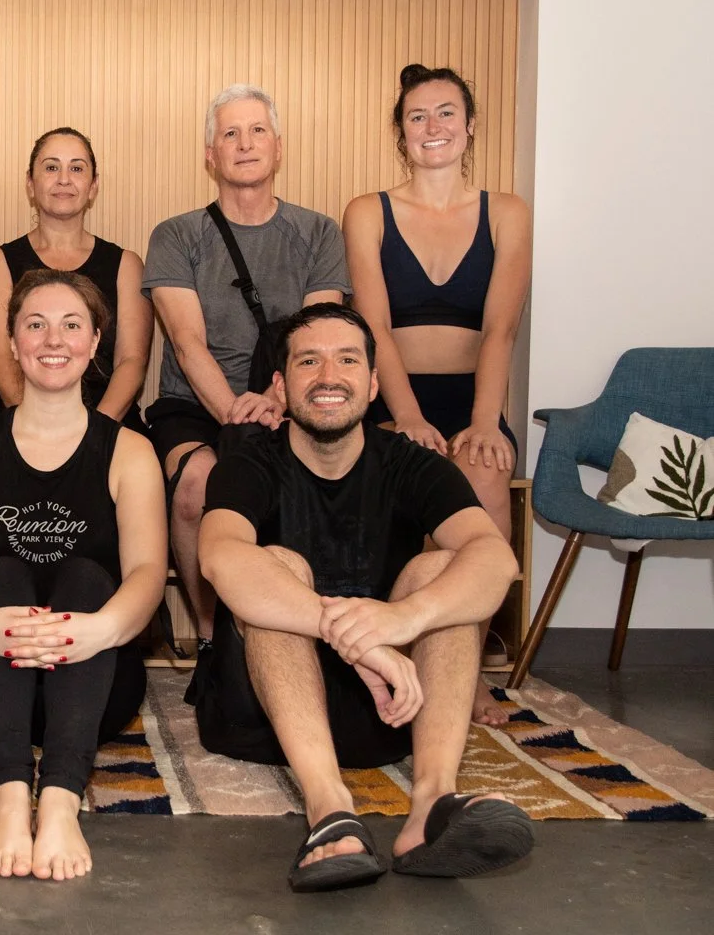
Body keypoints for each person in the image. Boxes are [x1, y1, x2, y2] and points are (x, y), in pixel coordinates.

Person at [197, 302, 532, 893]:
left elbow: (495, 559)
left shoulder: (409, 462)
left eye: (347, 359)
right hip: (269, 713)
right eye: (309, 361)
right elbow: (220, 557)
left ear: (374, 383)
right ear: (279, 385)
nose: (329, 376)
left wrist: (404, 617)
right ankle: (329, 811)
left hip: (393, 708)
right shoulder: (249, 461)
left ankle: (431, 803)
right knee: (275, 568)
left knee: (442, 570)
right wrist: (349, 635)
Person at [0, 270, 167, 881]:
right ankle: (9, 797)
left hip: (92, 680)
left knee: (88, 578)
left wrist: (98, 631)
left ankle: (60, 800)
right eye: (35, 324)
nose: (52, 339)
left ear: (94, 342)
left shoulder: (130, 452)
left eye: (71, 325)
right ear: (10, 342)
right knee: (0, 573)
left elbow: (146, 571)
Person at [342, 65, 532, 726]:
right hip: (392, 399)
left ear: (470, 125)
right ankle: (402, 660)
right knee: (409, 497)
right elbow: (374, 330)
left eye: (446, 113)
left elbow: (501, 329)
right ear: (400, 132)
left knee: (483, 494)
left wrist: (483, 423)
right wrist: (408, 416)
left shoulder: (506, 212)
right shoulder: (369, 212)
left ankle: (466, 673)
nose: (433, 128)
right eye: (418, 117)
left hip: (472, 396)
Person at [143, 84, 349, 647]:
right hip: (195, 404)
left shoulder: (318, 232)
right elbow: (187, 344)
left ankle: (303, 631)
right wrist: (240, 411)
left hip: (296, 401)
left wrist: (278, 402)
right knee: (195, 484)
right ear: (211, 155)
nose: (245, 143)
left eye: (257, 130)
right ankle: (212, 639)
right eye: (229, 133)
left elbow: (320, 341)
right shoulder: (177, 235)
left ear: (278, 148)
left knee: (315, 481)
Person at [0, 127, 151, 431]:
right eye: (51, 167)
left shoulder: (127, 265)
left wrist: (94, 432)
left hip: (106, 418)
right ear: (30, 183)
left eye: (77, 168)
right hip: (16, 417)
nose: (64, 179)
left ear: (93, 186)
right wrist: (39, 429)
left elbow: (131, 362)